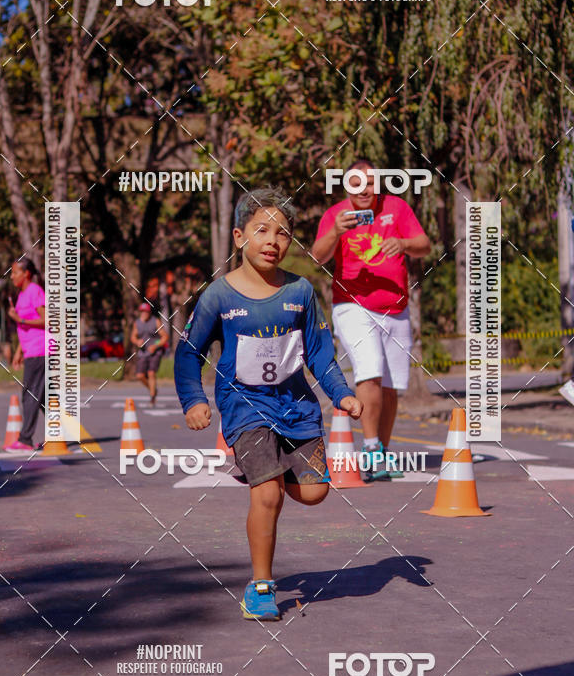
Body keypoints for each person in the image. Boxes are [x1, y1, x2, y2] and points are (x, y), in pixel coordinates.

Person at [175, 187, 362, 622]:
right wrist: (193, 402)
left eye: (282, 233)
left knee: (314, 492)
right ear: (239, 237)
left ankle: (270, 472)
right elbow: (189, 353)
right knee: (269, 495)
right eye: (262, 230)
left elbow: (318, 353)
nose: (273, 240)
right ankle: (261, 587)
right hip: (244, 407)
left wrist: (343, 394)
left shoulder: (301, 291)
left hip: (295, 407)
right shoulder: (218, 296)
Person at [312, 159, 430, 480]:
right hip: (352, 304)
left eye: (369, 183)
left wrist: (404, 243)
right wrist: (336, 232)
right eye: (355, 184)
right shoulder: (335, 216)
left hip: (396, 308)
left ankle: (382, 453)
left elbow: (425, 245)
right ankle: (372, 447)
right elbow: (317, 256)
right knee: (370, 370)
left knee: (391, 386)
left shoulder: (397, 208)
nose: (363, 190)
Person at [6, 258, 46, 451]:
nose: (12, 276)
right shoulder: (22, 295)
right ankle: (60, 434)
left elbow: (47, 320)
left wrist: (18, 318)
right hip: (30, 349)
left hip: (40, 349)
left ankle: (25, 439)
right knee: (43, 397)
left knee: (30, 394)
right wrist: (18, 351)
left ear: (26, 274)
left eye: (15, 272)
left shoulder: (35, 291)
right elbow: (24, 326)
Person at [131, 303, 168, 407]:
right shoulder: (137, 323)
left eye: (145, 311)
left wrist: (155, 346)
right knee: (140, 376)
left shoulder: (155, 321)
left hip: (155, 352)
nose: (143, 313)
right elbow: (133, 337)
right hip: (143, 352)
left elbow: (165, 337)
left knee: (151, 373)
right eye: (142, 311)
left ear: (149, 312)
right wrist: (137, 341)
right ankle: (153, 389)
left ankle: (152, 398)